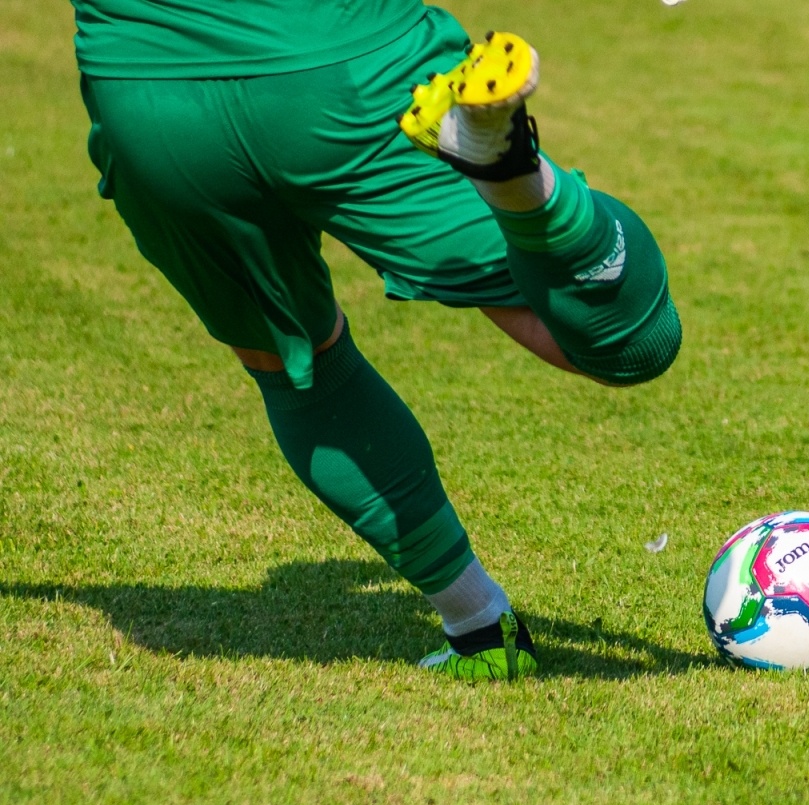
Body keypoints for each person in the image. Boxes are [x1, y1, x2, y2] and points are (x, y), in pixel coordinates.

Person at [71, 2, 682, 680]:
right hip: (348, 64)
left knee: (297, 366)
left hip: (152, 95)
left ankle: (481, 629)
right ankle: (520, 182)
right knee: (630, 344)